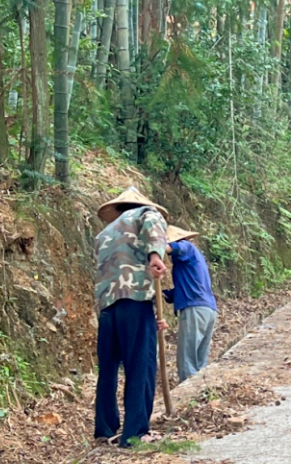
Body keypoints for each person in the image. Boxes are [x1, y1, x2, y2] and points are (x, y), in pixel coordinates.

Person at [93, 187, 169, 447]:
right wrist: (155, 256)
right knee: (141, 365)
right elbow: (153, 225)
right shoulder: (146, 213)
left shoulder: (104, 233)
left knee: (108, 370)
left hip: (107, 307)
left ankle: (105, 430)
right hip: (134, 299)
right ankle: (135, 433)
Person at [162, 225, 218, 383]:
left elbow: (173, 247)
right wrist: (162, 294)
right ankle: (200, 390)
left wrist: (153, 247)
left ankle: (188, 392)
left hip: (195, 309)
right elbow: (183, 289)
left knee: (187, 358)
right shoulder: (192, 261)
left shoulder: (187, 248)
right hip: (207, 309)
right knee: (199, 359)